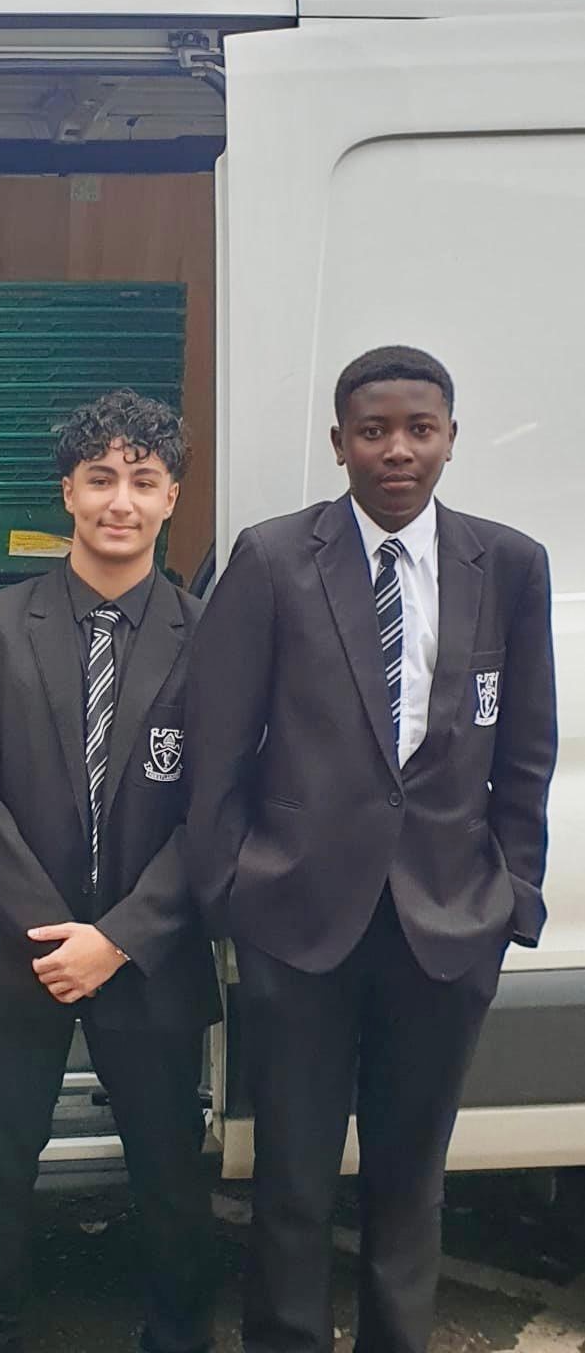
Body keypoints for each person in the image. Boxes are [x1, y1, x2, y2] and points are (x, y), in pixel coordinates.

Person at [185, 345, 556, 1353]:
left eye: (418, 429)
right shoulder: (270, 557)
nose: (397, 449)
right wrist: (229, 895)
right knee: (293, 1185)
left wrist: (509, 898)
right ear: (340, 441)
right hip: (297, 926)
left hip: (445, 926)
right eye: (374, 430)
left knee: (409, 1184)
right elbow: (216, 743)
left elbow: (526, 750)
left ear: (448, 438)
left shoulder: (508, 564)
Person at [0, 389, 218, 1353]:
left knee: (170, 1170)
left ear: (171, 495)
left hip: (151, 955)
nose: (120, 502)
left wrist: (120, 939)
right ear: (66, 490)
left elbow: (213, 813)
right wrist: (57, 937)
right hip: (13, 954)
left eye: (142, 481)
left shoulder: (207, 636)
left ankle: (177, 1335)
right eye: (99, 479)